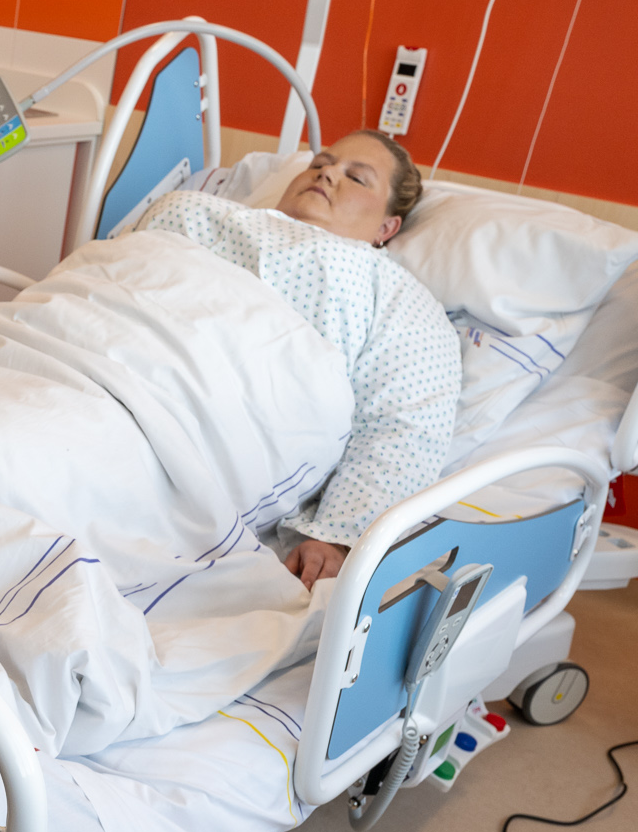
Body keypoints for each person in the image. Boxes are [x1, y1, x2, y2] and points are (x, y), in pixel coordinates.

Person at [134, 129, 458, 590]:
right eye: (320, 163)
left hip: (192, 427)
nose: (327, 173)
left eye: (356, 178)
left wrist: (337, 536)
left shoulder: (396, 298)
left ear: (387, 228)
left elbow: (402, 427)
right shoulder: (190, 210)